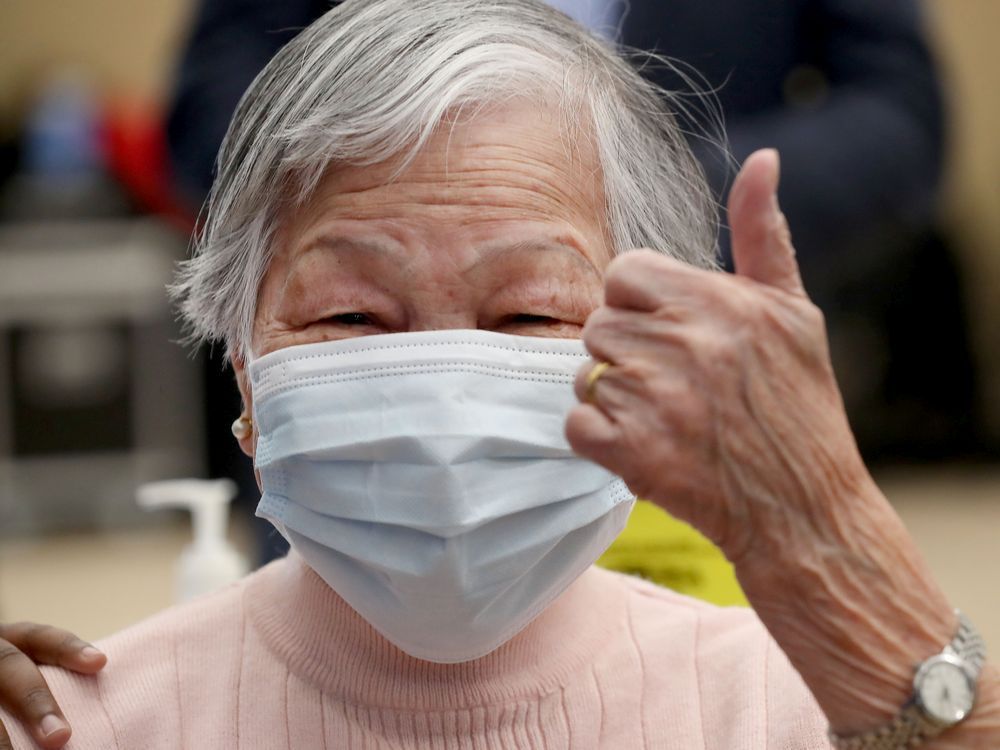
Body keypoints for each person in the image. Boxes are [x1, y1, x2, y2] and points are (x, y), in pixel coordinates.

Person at [1, 0, 997, 747]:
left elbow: (900, 107)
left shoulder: (790, 710)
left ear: (635, 335)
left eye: (528, 314)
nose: (440, 398)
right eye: (351, 315)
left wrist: (857, 577)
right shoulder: (92, 722)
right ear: (245, 367)